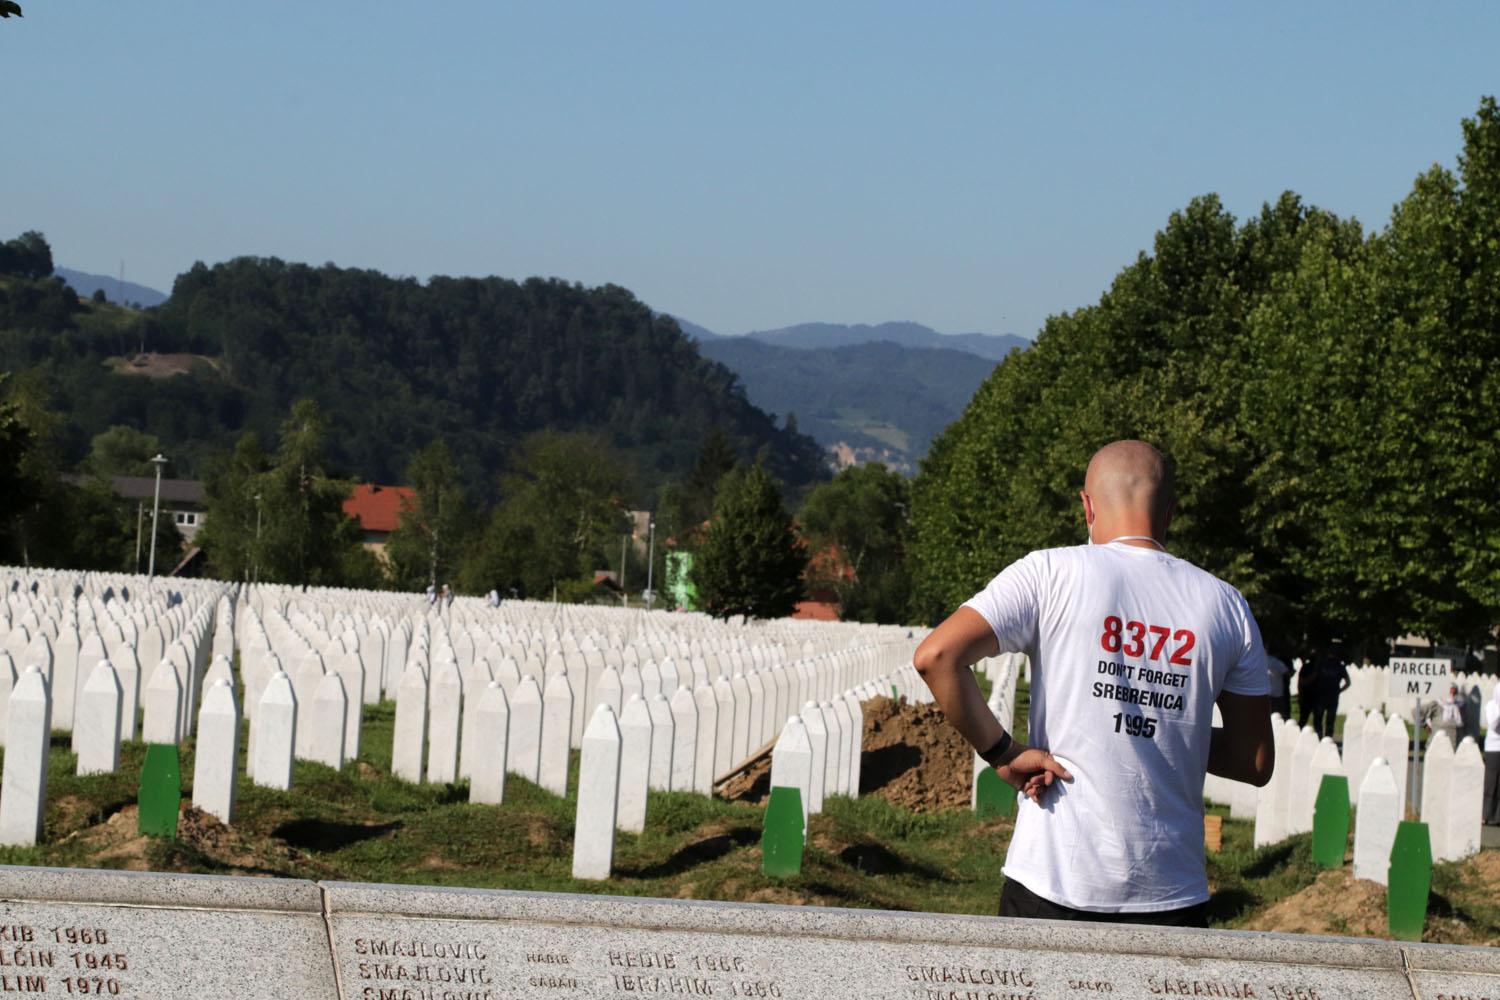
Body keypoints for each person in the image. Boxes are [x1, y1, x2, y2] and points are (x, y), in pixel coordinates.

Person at [914, 440, 1273, 927]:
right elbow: (1255, 761)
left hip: (1052, 880)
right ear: (1170, 511)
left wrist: (1003, 752)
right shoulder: (1226, 605)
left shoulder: (1048, 572)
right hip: (1170, 893)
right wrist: (1164, 728)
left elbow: (937, 656)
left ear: (1087, 505)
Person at [1424, 684, 1465, 749]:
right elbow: (1426, 716)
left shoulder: (1457, 705)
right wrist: (1426, 726)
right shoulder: (1437, 703)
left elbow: (1459, 722)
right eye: (1450, 691)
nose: (1452, 693)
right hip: (1435, 736)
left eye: (1454, 691)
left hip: (1451, 737)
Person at [1484, 685, 1500, 826]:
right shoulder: (1491, 706)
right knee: (1491, 782)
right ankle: (1486, 815)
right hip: (1493, 747)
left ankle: (1497, 817)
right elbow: (1493, 725)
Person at [1265, 650, 1293, 720]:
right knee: (1279, 717)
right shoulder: (1277, 662)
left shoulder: (1261, 660)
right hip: (1277, 694)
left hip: (1265, 693)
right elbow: (1288, 673)